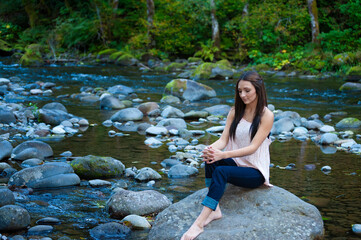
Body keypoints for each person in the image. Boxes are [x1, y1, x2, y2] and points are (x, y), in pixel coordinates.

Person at [180, 71, 274, 240]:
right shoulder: (235, 111)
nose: (242, 95)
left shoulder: (266, 115)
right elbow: (223, 140)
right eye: (239, 91)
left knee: (221, 171)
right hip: (237, 164)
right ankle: (214, 210)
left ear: (258, 90)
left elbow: (253, 147)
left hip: (255, 171)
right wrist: (210, 149)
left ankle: (199, 223)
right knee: (211, 159)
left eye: (247, 90)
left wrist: (223, 155)